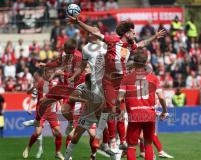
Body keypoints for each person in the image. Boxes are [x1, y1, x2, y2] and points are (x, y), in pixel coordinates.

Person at [67, 13, 166, 149]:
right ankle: (103, 137)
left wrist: (154, 37)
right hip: (109, 81)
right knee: (110, 108)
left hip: (123, 81)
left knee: (120, 111)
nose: (134, 34)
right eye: (132, 31)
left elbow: (143, 43)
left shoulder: (131, 46)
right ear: (126, 33)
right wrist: (78, 23)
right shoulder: (112, 41)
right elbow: (95, 31)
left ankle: (123, 140)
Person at [116, 53, 168, 160]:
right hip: (149, 115)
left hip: (134, 115)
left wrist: (118, 110)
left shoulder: (126, 78)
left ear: (134, 63)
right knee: (148, 144)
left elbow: (119, 98)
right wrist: (164, 111)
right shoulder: (153, 78)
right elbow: (162, 98)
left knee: (131, 146)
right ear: (146, 63)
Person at [22, 69, 64, 160]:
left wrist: (61, 106)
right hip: (41, 111)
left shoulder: (55, 84)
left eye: (51, 72)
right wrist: (29, 107)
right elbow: (31, 93)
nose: (50, 74)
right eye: (48, 72)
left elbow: (59, 96)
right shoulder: (40, 83)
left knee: (58, 132)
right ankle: (28, 147)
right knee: (37, 132)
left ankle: (58, 152)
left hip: (52, 111)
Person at [64, 73, 100, 160]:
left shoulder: (98, 86)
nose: (91, 85)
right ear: (86, 82)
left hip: (95, 114)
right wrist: (83, 99)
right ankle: (67, 158)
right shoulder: (81, 86)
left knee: (93, 136)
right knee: (73, 137)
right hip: (83, 115)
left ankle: (94, 155)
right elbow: (72, 98)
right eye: (90, 83)